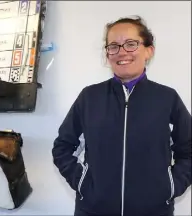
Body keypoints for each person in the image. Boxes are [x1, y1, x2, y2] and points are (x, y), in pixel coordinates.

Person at [52, 16, 191, 216]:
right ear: (108, 54)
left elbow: (188, 151)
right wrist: (83, 183)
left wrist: (169, 187)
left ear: (149, 50)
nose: (122, 52)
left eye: (131, 44)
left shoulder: (167, 99)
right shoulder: (89, 98)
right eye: (114, 46)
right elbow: (63, 147)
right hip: (93, 210)